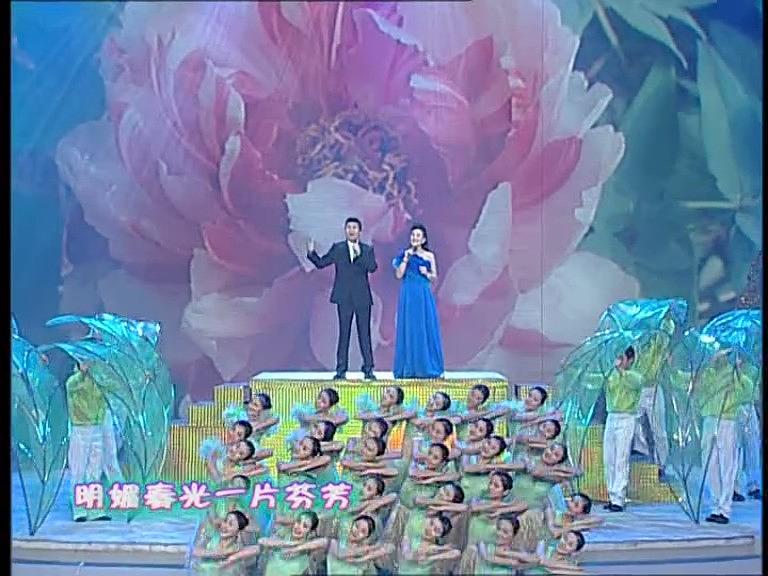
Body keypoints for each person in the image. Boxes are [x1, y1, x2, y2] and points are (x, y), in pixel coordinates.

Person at [307, 217, 378, 380]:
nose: (351, 230)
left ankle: (368, 368)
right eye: (349, 227)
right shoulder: (338, 248)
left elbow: (372, 267)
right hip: (344, 297)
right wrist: (311, 253)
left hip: (362, 297)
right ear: (345, 230)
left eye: (354, 228)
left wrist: (360, 255)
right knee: (344, 333)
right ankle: (341, 369)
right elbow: (321, 263)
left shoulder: (367, 250)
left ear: (359, 231)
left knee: (364, 333)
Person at [65, 361, 122, 522]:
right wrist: (82, 373)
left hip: (97, 427)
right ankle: (79, 510)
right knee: (78, 470)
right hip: (80, 428)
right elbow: (70, 385)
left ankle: (95, 509)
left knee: (94, 470)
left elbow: (116, 387)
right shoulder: (74, 381)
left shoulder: (99, 380)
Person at [392, 224, 444, 379]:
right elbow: (399, 275)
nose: (415, 238)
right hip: (408, 294)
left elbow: (434, 277)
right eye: (413, 235)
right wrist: (405, 259)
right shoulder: (404, 255)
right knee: (409, 327)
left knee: (423, 326)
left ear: (423, 239)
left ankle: (426, 365)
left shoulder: (429, 256)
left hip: (423, 294)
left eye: (418, 236)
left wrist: (426, 273)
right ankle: (408, 366)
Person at [601, 346, 644, 512]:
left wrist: (620, 370)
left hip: (626, 418)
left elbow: (634, 383)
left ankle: (619, 498)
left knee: (621, 458)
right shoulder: (611, 375)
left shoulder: (636, 376)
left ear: (630, 360)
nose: (619, 360)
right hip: (611, 416)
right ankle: (611, 495)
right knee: (609, 458)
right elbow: (595, 381)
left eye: (622, 357)